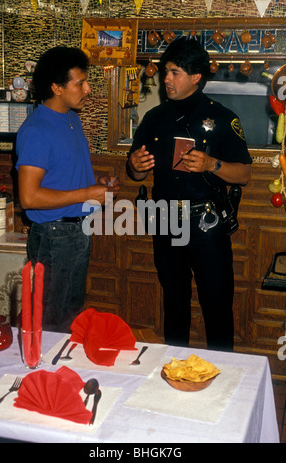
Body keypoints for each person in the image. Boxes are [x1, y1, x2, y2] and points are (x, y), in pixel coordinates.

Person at [126, 38, 252, 351]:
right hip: (166, 220)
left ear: (196, 77)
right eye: (166, 72)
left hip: (207, 223)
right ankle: (173, 373)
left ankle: (224, 380)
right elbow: (137, 172)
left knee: (217, 304)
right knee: (174, 303)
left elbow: (245, 174)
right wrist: (136, 166)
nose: (165, 79)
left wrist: (213, 164)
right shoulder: (154, 118)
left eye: (174, 72)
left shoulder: (222, 117)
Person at [16, 46, 119, 332]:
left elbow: (63, 178)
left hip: (77, 231)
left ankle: (64, 375)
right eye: (79, 83)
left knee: (70, 316)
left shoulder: (71, 118)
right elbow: (29, 197)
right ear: (56, 87)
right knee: (50, 320)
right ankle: (42, 376)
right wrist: (87, 194)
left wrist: (96, 187)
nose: (87, 89)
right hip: (53, 235)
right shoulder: (38, 130)